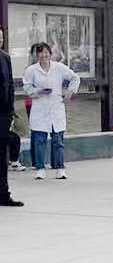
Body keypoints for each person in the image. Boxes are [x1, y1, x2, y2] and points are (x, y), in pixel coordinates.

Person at [23, 43, 80, 179]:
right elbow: (27, 87)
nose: (43, 55)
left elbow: (75, 78)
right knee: (39, 140)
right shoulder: (31, 70)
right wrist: (39, 91)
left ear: (50, 53)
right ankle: (40, 168)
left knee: (58, 140)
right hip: (39, 108)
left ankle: (60, 168)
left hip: (56, 108)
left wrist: (70, 92)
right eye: (40, 53)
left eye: (46, 52)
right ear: (36, 55)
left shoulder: (59, 67)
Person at [0, 27, 23, 207]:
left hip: (3, 114)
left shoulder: (5, 57)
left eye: (1, 37)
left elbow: (10, 86)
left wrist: (11, 112)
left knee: (2, 156)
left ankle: (3, 194)